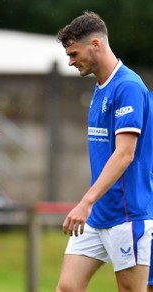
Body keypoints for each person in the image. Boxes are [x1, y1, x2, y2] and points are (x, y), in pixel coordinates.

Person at [55, 11, 153, 291]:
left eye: (74, 54)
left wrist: (85, 201)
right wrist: (91, 204)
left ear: (96, 44)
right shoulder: (100, 87)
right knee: (67, 288)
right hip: (99, 214)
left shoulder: (128, 87)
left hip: (127, 213)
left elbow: (125, 154)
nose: (71, 62)